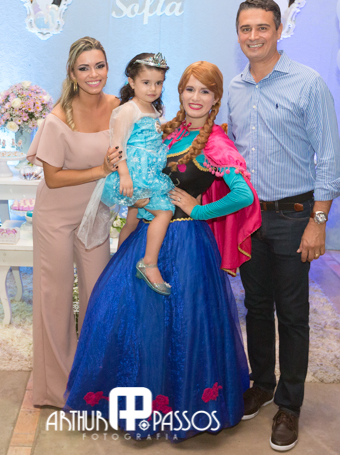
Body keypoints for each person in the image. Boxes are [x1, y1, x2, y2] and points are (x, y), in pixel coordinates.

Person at [64, 62, 261, 441]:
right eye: (189, 89)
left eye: (205, 91)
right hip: (147, 236)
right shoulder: (168, 131)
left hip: (187, 247)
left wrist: (198, 210)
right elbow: (141, 176)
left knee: (184, 326)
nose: (195, 98)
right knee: (135, 321)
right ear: (180, 92)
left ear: (216, 98)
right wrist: (132, 210)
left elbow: (243, 195)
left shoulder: (216, 143)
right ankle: (137, 406)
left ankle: (181, 407)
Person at [226, 0, 340, 451]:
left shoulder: (308, 83)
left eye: (262, 27)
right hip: (248, 218)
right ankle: (262, 385)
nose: (253, 36)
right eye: (245, 28)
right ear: (238, 34)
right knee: (255, 307)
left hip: (295, 217)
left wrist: (318, 222)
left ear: (279, 30)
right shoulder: (235, 87)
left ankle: (289, 406)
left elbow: (330, 162)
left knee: (293, 315)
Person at [27, 36, 123, 407]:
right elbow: (53, 178)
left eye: (99, 65)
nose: (93, 74)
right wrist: (100, 170)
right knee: (55, 298)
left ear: (107, 68)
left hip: (96, 212)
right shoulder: (58, 118)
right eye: (84, 68)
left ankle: (94, 379)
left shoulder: (118, 108)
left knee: (98, 294)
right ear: (72, 73)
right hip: (56, 215)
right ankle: (56, 388)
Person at [78, 52, 175, 295]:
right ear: (131, 82)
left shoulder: (153, 109)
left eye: (158, 83)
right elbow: (117, 144)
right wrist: (124, 175)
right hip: (134, 174)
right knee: (164, 211)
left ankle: (119, 265)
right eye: (146, 82)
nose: (152, 88)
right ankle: (149, 263)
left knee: (132, 221)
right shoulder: (128, 110)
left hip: (150, 173)